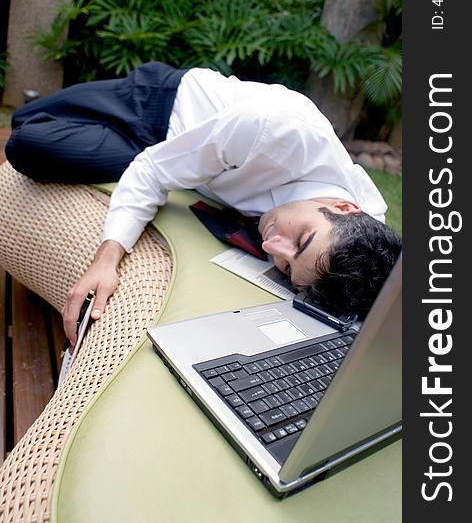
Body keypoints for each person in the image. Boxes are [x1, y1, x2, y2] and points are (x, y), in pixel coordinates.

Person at [6, 61, 402, 348]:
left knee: (28, 144)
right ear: (345, 207)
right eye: (299, 240)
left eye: (284, 266)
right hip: (157, 105)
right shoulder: (273, 128)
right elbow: (152, 172)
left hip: (176, 154)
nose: (270, 247)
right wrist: (106, 260)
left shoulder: (363, 243)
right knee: (24, 126)